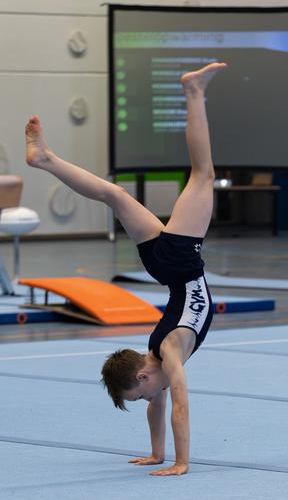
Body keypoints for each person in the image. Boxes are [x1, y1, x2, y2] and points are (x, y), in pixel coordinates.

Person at [25, 61, 227, 476]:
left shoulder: (168, 353)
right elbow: (159, 405)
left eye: (139, 395)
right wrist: (157, 454)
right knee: (115, 195)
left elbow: (180, 406)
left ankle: (193, 91)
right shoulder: (154, 356)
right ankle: (45, 158)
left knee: (203, 175)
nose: (148, 399)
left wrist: (181, 462)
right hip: (162, 265)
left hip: (179, 261)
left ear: (141, 374)